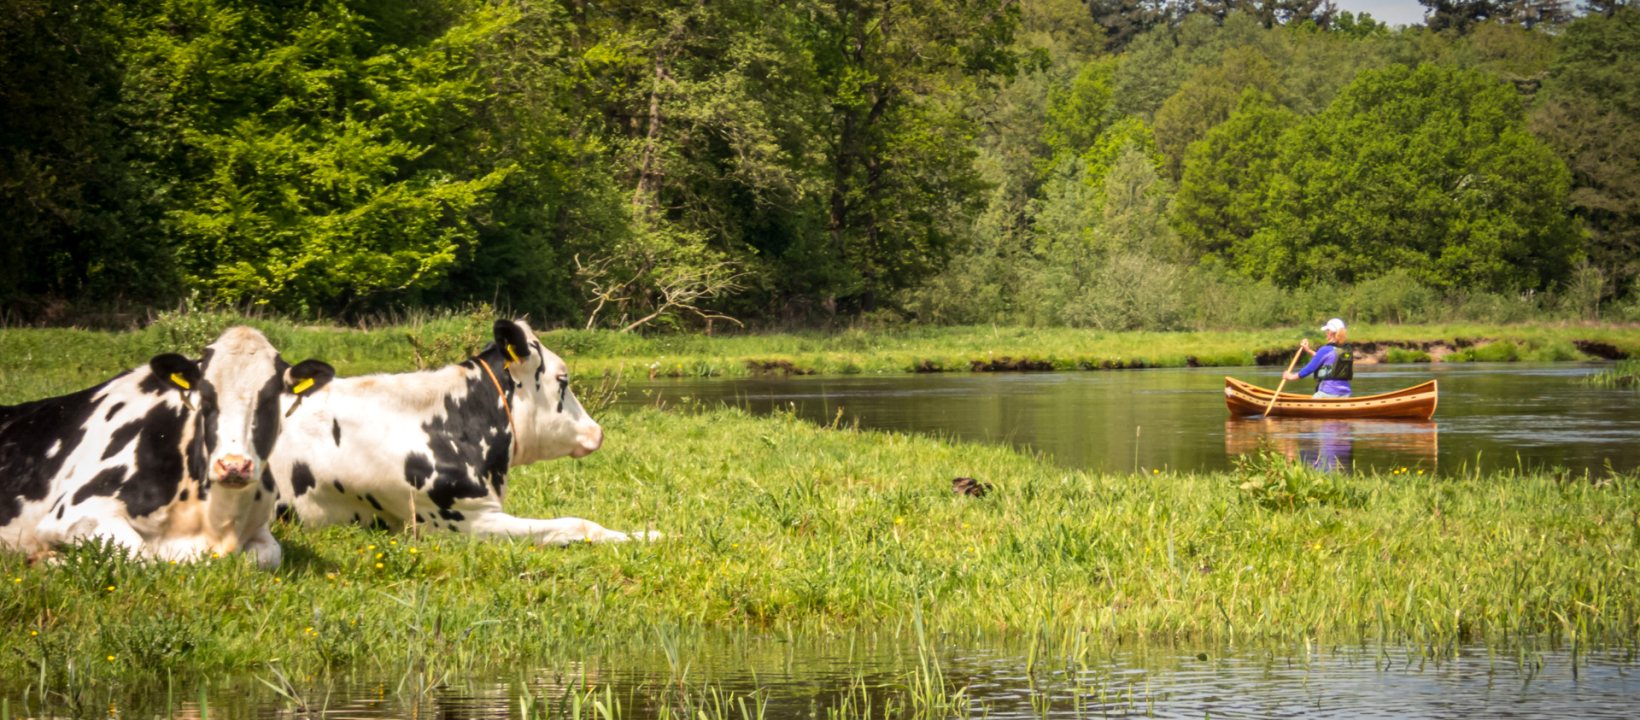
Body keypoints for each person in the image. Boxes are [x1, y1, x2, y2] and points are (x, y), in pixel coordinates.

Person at [1283, 318, 1353, 398]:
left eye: (1327, 331)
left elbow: (1309, 369)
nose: (1326, 333)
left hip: (1327, 393)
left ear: (1330, 332)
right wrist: (1309, 350)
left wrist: (1291, 377)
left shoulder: (1325, 350)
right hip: (1345, 394)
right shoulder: (1347, 350)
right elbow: (1329, 358)